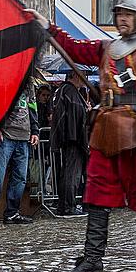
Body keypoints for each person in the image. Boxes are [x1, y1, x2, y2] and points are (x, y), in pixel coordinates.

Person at [26, 0, 136, 272]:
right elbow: (71, 47)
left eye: (128, 14)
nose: (122, 18)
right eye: (119, 13)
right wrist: (47, 25)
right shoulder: (105, 48)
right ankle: (93, 259)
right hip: (104, 130)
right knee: (97, 193)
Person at [0, 84, 39, 226]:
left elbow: (32, 108)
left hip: (24, 137)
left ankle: (12, 213)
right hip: (5, 135)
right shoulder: (5, 80)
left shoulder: (29, 84)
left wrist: (35, 131)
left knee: (20, 178)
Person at [50, 71, 89, 216]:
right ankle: (68, 206)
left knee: (69, 173)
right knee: (72, 174)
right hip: (73, 138)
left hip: (70, 137)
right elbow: (76, 115)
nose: (85, 79)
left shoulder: (66, 90)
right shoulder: (69, 90)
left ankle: (66, 205)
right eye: (83, 75)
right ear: (77, 75)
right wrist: (86, 111)